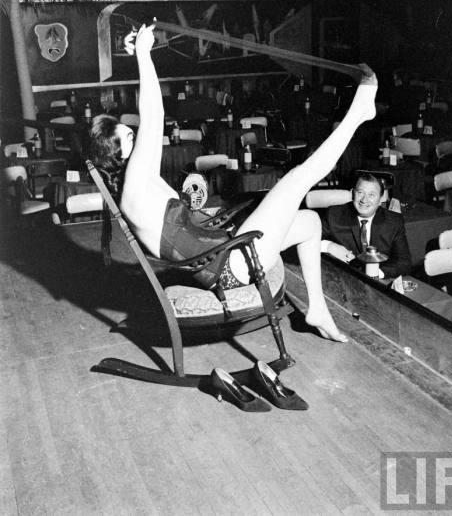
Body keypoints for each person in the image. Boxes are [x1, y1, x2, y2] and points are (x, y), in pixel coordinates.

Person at [89, 21, 379, 343]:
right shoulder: (134, 189)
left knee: (309, 222)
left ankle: (318, 310)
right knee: (298, 178)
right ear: (118, 153)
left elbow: (154, 122)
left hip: (225, 253)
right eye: (130, 135)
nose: (137, 133)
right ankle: (358, 113)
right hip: (230, 267)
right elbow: (154, 116)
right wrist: (144, 54)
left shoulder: (141, 185)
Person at [321, 173, 412, 278]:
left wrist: (376, 273)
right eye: (360, 192)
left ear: (380, 199)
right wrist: (329, 246)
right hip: (341, 277)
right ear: (353, 193)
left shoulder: (393, 221)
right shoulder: (334, 215)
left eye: (371, 195)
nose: (364, 200)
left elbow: (404, 262)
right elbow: (304, 241)